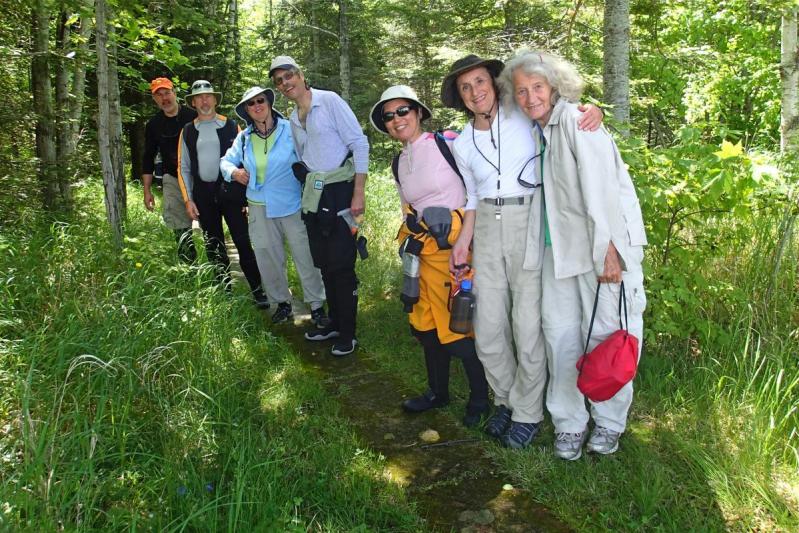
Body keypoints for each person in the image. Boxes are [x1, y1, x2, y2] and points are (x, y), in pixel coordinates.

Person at [441, 54, 604, 449]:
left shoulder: (522, 116)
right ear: (460, 97)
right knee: (490, 330)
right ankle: (506, 400)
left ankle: (529, 412)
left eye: (480, 82)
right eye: (465, 87)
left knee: (527, 326)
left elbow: (557, 109)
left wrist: (591, 109)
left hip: (529, 220)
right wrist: (463, 242)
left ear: (493, 83)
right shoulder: (462, 143)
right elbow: (474, 195)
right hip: (488, 232)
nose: (475, 92)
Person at [501, 50, 647, 459]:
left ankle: (609, 421)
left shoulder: (579, 123)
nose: (530, 97)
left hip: (600, 251)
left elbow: (605, 194)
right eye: (522, 91)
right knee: (560, 337)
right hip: (557, 254)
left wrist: (611, 253)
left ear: (555, 87)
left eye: (538, 87)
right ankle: (569, 423)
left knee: (607, 335)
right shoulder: (538, 131)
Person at [369, 85, 490, 427]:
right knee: (427, 326)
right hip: (420, 256)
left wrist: (466, 238)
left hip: (454, 252)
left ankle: (481, 400)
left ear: (419, 112)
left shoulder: (447, 144)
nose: (396, 120)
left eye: (403, 111)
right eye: (388, 116)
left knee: (459, 325)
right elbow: (407, 205)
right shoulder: (398, 162)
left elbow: (477, 190)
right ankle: (438, 392)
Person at [269, 55, 368, 357]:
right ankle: (335, 323)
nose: (285, 84)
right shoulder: (292, 116)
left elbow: (359, 143)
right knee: (324, 262)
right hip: (314, 195)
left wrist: (359, 192)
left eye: (289, 76)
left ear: (300, 74)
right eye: (279, 81)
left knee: (341, 262)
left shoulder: (330, 101)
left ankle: (348, 333)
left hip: (340, 190)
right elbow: (305, 153)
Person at [220, 87, 327, 326]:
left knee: (305, 256)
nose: (257, 105)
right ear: (246, 111)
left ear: (269, 102)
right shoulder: (244, 137)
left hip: (292, 205)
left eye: (261, 100)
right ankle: (282, 303)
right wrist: (234, 172)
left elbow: (312, 153)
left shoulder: (290, 129)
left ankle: (317, 305)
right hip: (258, 207)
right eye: (251, 104)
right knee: (267, 258)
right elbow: (225, 161)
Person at [176, 80, 267, 307]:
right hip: (203, 195)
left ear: (215, 99)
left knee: (243, 241)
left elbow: (246, 162)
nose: (204, 100)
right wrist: (188, 200)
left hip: (231, 193)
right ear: (194, 102)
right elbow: (183, 167)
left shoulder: (231, 126)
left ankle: (259, 291)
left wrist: (247, 197)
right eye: (199, 97)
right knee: (213, 244)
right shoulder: (187, 131)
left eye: (208, 96)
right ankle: (224, 292)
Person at [142, 77, 197, 263]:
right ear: (154, 100)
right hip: (172, 178)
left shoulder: (194, 116)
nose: (164, 98)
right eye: (159, 96)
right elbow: (148, 158)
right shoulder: (153, 125)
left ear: (174, 93)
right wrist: (147, 190)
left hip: (200, 177)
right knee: (180, 227)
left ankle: (219, 271)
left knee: (211, 223)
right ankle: (190, 270)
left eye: (167, 93)